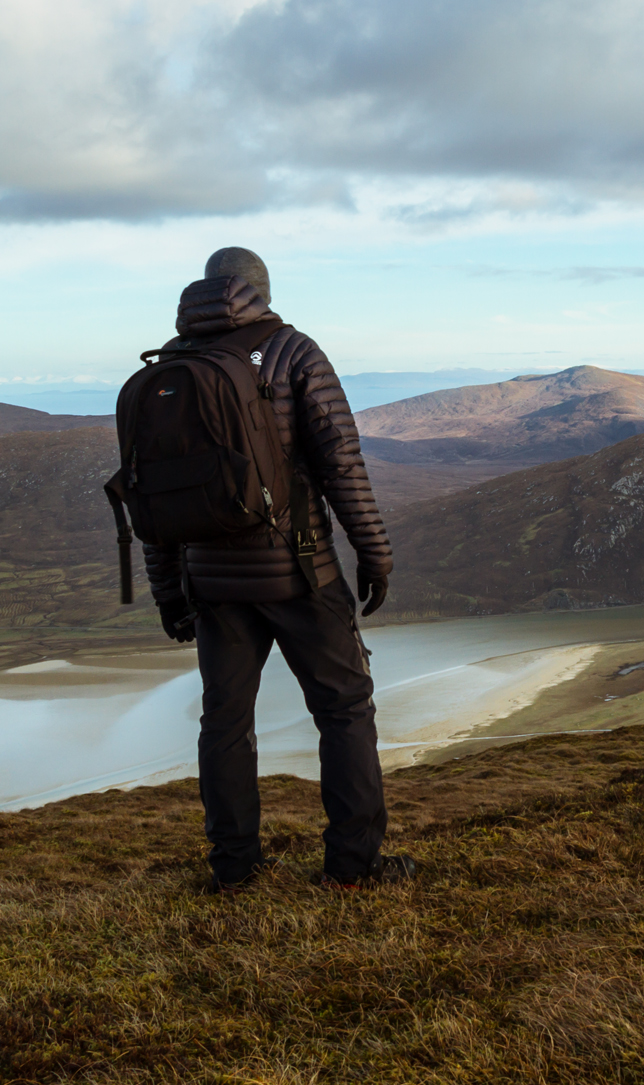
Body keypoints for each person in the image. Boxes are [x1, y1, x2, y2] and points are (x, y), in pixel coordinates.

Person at [143, 246, 411, 893]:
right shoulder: (294, 351)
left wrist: (168, 589)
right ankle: (353, 867)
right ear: (260, 290)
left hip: (212, 583)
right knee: (345, 709)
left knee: (225, 722)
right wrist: (374, 552)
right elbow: (341, 463)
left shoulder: (172, 365)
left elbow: (154, 492)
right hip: (300, 570)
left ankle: (233, 868)